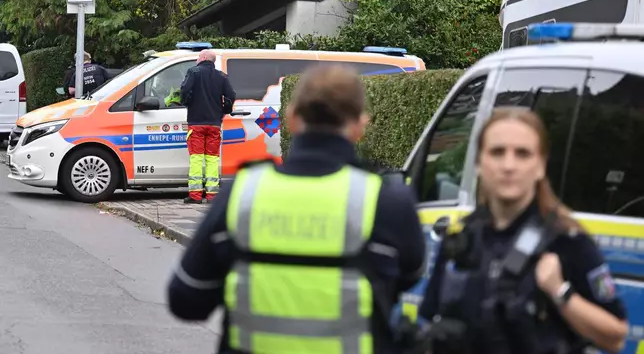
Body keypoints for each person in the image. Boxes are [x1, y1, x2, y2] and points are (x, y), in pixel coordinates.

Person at [167, 65, 427, 354]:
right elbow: (411, 279)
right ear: (360, 125)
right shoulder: (387, 201)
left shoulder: (243, 195)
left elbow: (186, 300)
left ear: (290, 118)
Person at [417, 108, 628, 354]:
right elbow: (430, 318)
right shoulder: (461, 242)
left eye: (522, 154)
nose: (508, 165)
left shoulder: (566, 242)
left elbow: (616, 337)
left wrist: (561, 292)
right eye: (497, 152)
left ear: (540, 166)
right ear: (478, 164)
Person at [180, 49, 236, 204]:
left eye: (198, 56)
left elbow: (184, 90)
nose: (197, 59)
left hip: (196, 123)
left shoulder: (193, 72)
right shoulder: (221, 76)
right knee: (212, 159)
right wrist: (225, 110)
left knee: (196, 159)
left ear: (203, 58)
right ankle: (212, 196)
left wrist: (186, 101)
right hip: (214, 124)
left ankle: (195, 195)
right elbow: (231, 95)